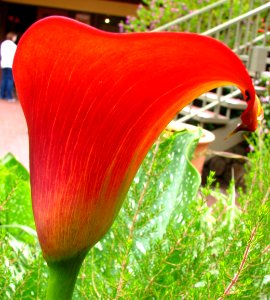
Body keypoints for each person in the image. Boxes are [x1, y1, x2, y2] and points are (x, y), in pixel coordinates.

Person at [0, 32, 17, 102]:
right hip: (10, 64)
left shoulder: (3, 44)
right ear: (12, 37)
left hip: (4, 63)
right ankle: (9, 96)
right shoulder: (13, 45)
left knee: (4, 79)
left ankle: (2, 95)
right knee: (10, 80)